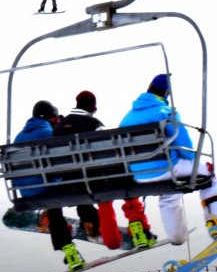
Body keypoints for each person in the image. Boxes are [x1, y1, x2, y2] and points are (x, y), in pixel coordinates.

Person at [120, 74, 217, 244]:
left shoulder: (127, 118)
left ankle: (177, 238)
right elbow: (183, 145)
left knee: (169, 195)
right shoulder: (165, 112)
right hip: (166, 169)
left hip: (139, 175)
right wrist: (193, 160)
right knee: (208, 173)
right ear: (166, 93)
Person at [55, 91, 156, 250]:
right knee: (125, 177)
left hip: (73, 183)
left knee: (103, 200)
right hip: (97, 180)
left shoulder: (59, 127)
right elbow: (109, 151)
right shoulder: (93, 124)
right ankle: (138, 228)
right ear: (94, 107)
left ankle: (112, 241)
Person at [14, 100, 87, 271]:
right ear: (50, 117)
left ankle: (68, 251)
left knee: (53, 204)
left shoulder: (19, 137)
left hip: (26, 192)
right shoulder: (49, 133)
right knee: (79, 185)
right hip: (45, 187)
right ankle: (91, 221)